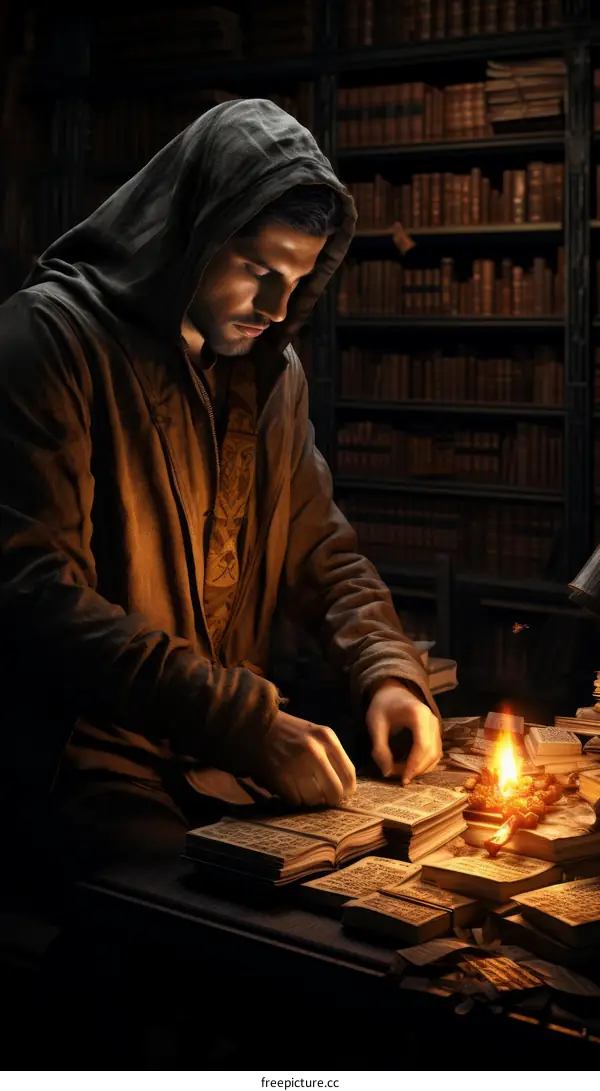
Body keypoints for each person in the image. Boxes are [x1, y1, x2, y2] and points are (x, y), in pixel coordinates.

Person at [0, 98, 441, 881]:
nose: (276, 310)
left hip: (223, 763)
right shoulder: (46, 339)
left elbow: (322, 550)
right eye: (256, 271)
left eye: (298, 280)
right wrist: (243, 721)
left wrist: (387, 669)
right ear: (191, 233)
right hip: (83, 762)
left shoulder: (271, 370)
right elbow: (36, 594)